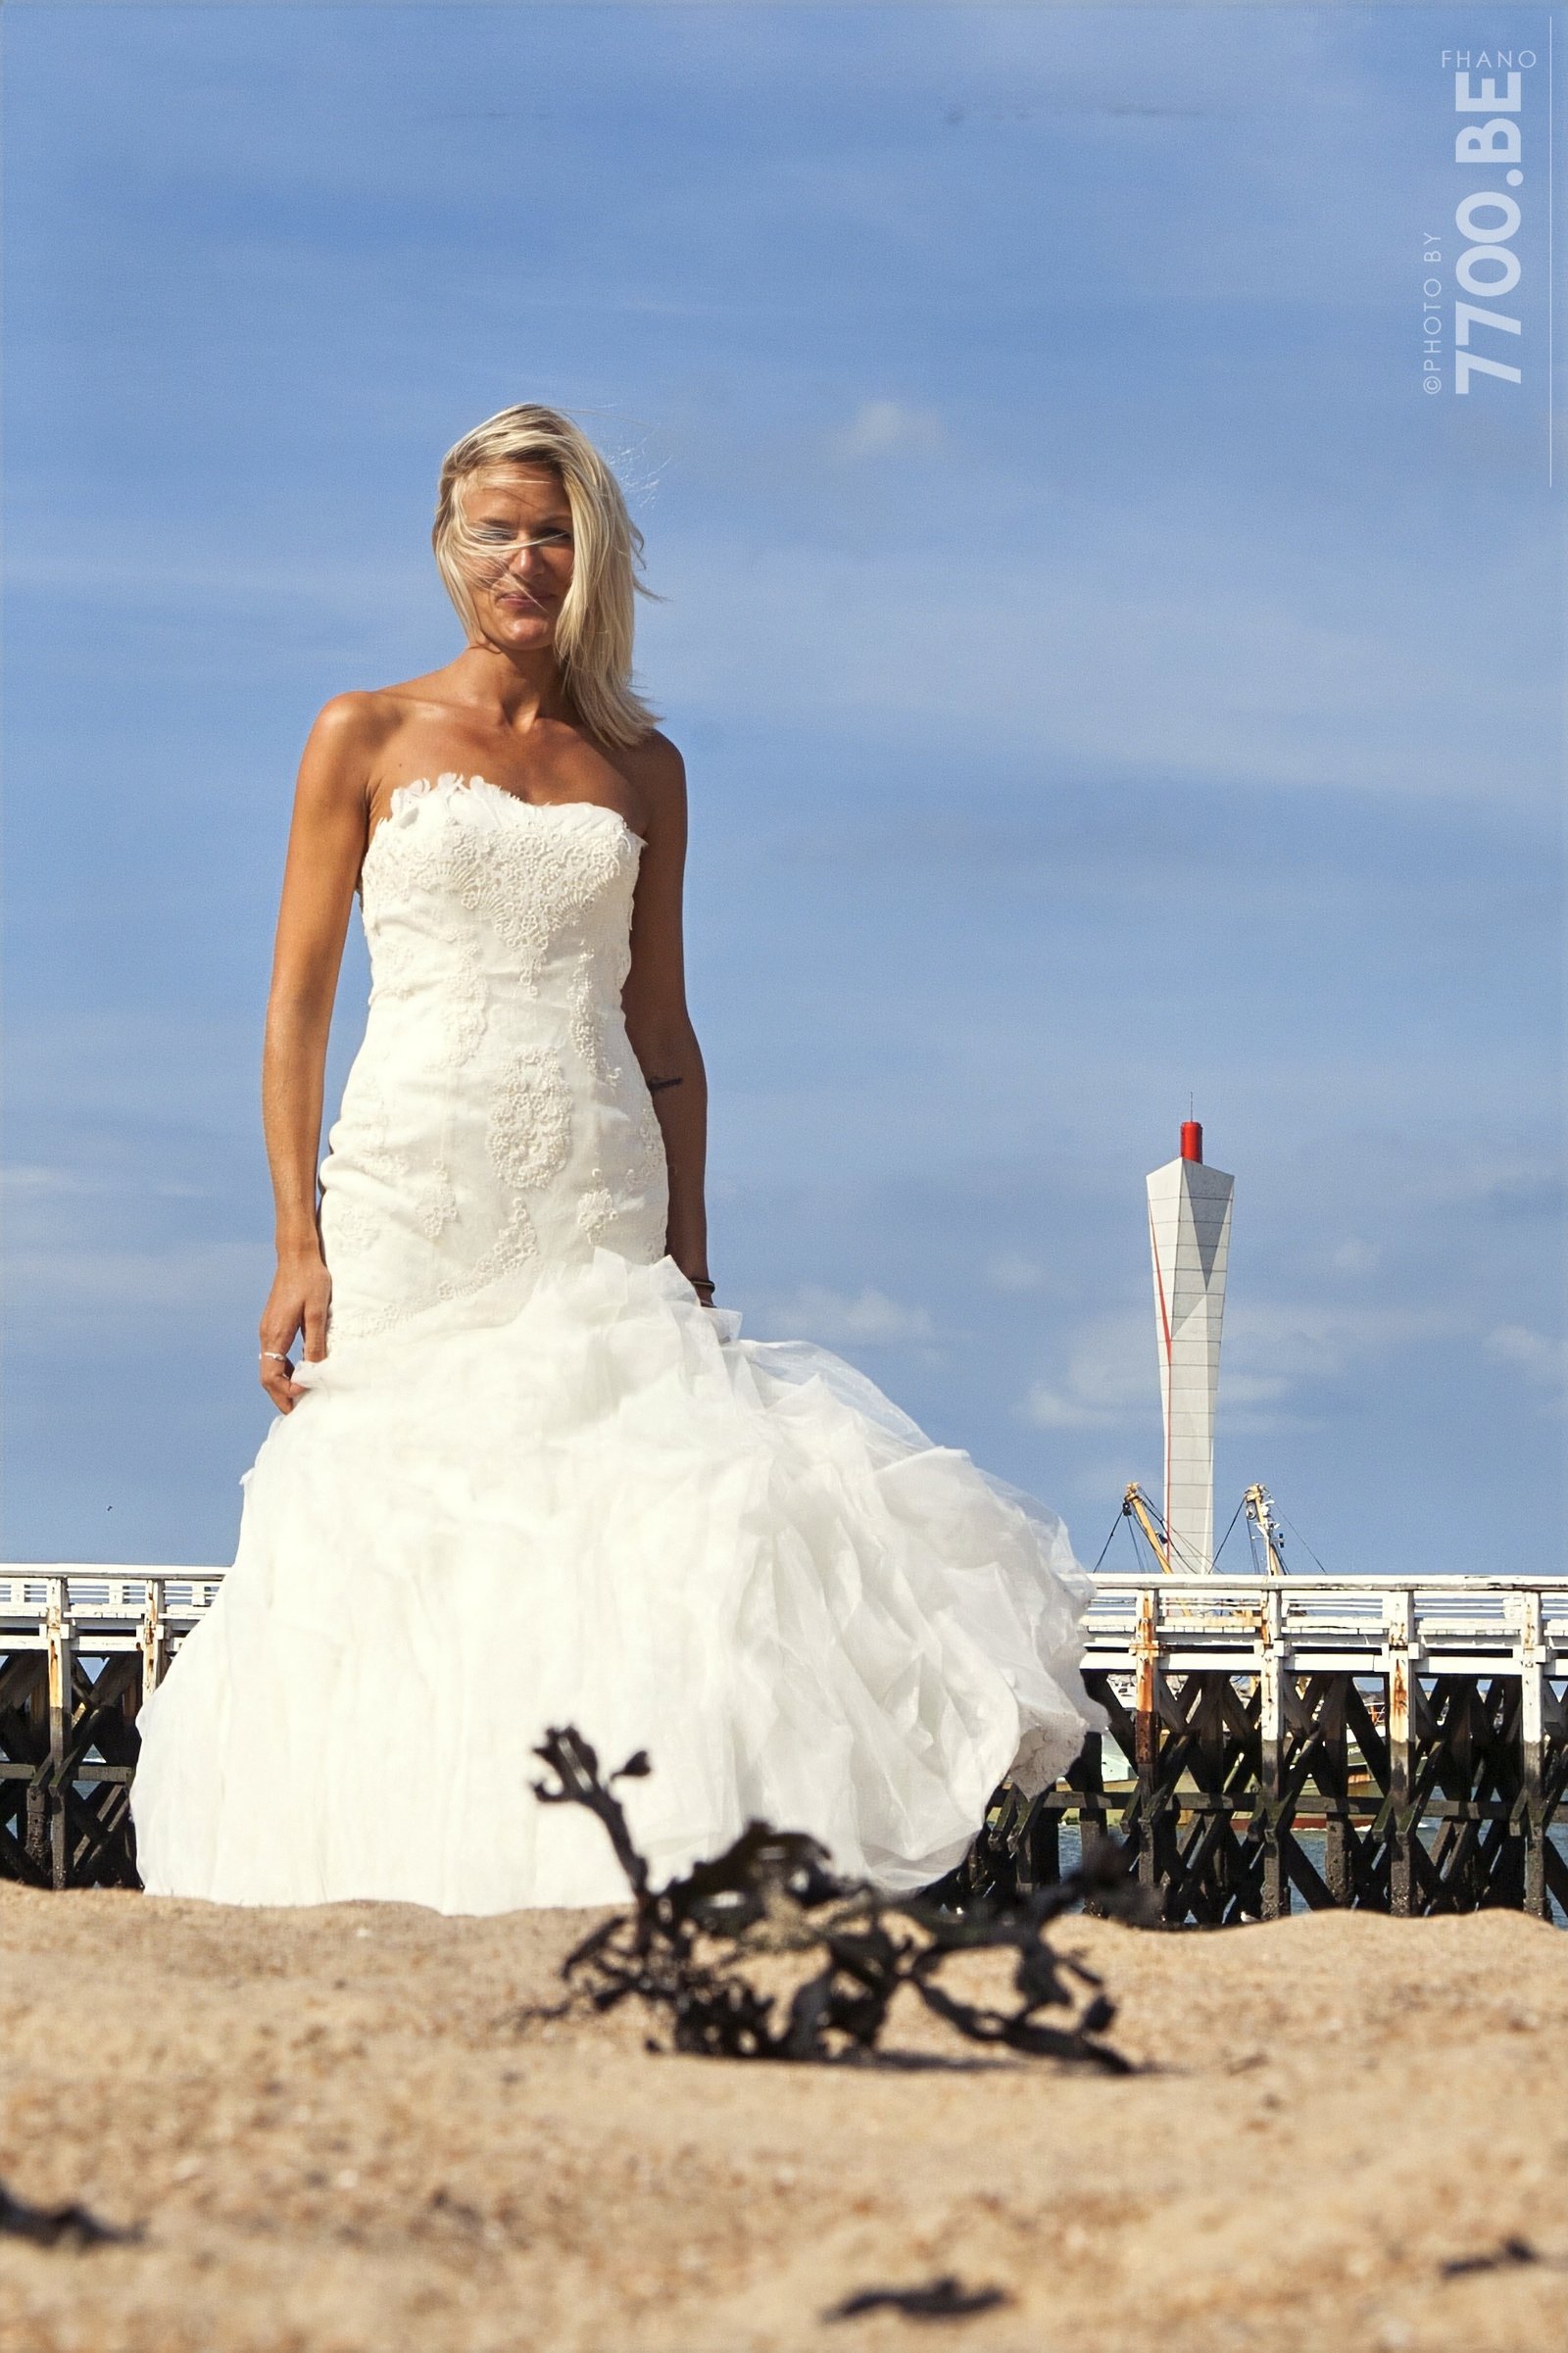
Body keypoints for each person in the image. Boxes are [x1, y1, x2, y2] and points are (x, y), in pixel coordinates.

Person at [129, 402, 1105, 1912]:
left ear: (593, 552)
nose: (524, 559)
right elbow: (296, 1013)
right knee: (403, 1513)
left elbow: (665, 1028)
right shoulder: (363, 732)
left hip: (596, 1177)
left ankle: (608, 1873)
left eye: (552, 530)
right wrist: (295, 1241)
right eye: (495, 530)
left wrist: (692, 1243)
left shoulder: (644, 768)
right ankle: (405, 1875)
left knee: (635, 1507)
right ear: (448, 552)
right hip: (410, 1182)